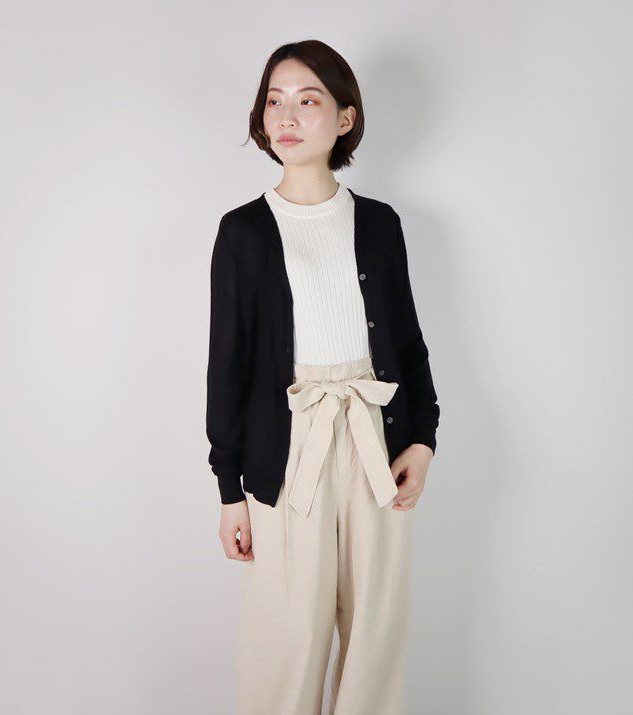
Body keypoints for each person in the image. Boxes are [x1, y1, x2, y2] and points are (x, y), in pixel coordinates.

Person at [206, 39, 441, 715]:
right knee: (288, 639)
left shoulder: (379, 224)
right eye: (274, 101)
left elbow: (408, 342)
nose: (287, 116)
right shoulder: (243, 232)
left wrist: (422, 440)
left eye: (308, 100)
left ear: (343, 119)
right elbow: (227, 367)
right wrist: (229, 490)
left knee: (374, 636)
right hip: (287, 449)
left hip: (375, 440)